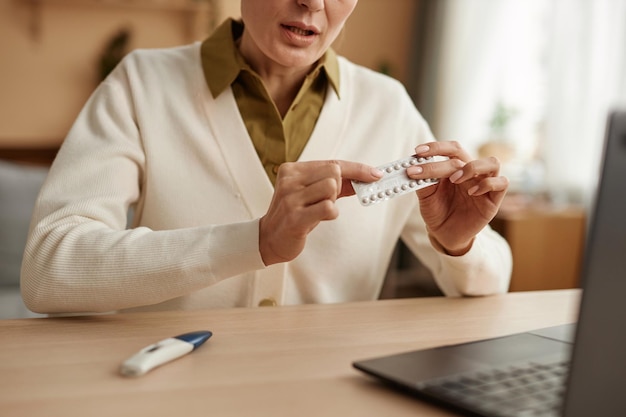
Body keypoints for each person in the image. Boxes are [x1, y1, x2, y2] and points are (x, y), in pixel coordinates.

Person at [20, 0, 512, 314]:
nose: (312, 3)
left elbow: (493, 284)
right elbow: (48, 270)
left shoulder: (389, 105)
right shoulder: (141, 84)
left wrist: (460, 246)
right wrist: (254, 241)